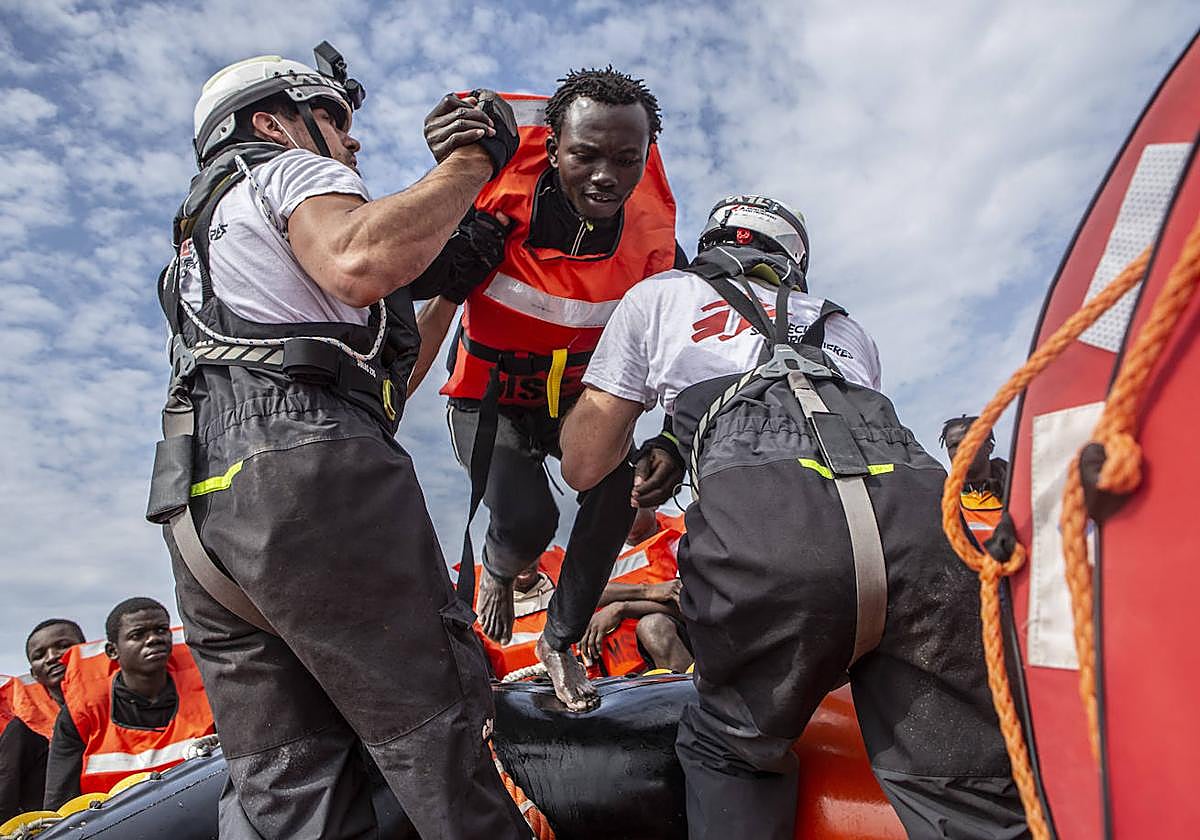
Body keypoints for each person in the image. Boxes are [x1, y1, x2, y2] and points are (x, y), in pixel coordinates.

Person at [144, 44, 532, 837]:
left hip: (204, 507)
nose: (350, 141)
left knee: (289, 781)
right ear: (272, 120)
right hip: (306, 474)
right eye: (334, 117)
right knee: (438, 743)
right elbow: (359, 260)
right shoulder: (286, 168)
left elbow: (365, 385)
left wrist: (444, 297)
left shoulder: (200, 238)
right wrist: (471, 161)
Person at [558, 195, 1028, 838]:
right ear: (793, 264)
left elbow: (585, 464)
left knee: (730, 751)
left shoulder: (662, 294)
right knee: (962, 791)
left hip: (772, 540)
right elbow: (825, 430)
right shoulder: (846, 326)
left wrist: (647, 435)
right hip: (924, 533)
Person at [407, 68, 686, 711]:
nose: (606, 176)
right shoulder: (493, 192)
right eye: (584, 155)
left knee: (620, 492)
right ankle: (502, 569)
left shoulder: (657, 239)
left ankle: (559, 641)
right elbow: (404, 272)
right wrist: (443, 172)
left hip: (577, 397)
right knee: (531, 519)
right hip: (490, 392)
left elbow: (687, 351)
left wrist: (674, 437)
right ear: (554, 147)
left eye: (626, 159)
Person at [474, 509, 690, 679]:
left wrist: (621, 607)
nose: (523, 561)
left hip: (634, 688)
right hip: (543, 712)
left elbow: (684, 607)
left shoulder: (578, 576)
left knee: (654, 626)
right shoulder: (471, 616)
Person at [42, 599, 214, 808]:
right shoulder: (81, 712)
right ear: (113, 651)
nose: (153, 639)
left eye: (161, 630)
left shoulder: (208, 688)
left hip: (199, 808)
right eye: (137, 635)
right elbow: (58, 803)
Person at [579, 508, 691, 675]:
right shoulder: (599, 553)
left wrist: (622, 608)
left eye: (628, 504)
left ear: (653, 503)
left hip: (686, 642)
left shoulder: (683, 535)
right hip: (624, 672)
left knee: (653, 625)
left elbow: (691, 608)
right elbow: (584, 595)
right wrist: (647, 591)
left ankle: (691, 696)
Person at [0, 619, 85, 820]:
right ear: (33, 674)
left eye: (63, 646)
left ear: (85, 649)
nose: (52, 657)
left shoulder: (120, 703)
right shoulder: (21, 731)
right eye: (39, 656)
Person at [941, 414, 1008, 543]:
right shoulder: (942, 503)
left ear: (989, 447)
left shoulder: (1019, 492)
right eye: (953, 446)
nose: (960, 450)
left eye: (968, 442)